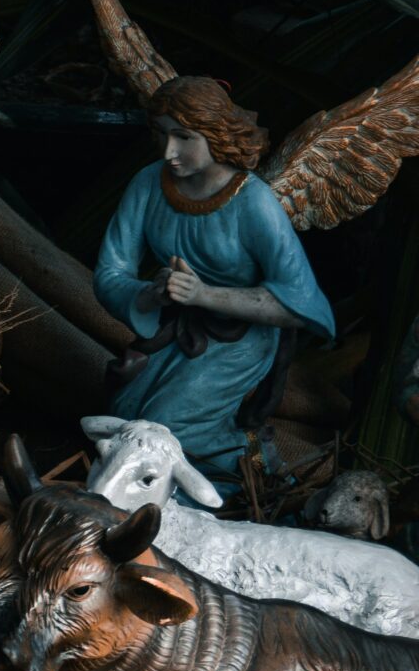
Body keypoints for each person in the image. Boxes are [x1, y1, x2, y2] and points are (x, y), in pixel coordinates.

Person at [92, 76, 333, 482]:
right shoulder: (148, 183)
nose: (170, 152)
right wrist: (151, 295)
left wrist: (204, 294)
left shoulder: (252, 202)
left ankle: (252, 479)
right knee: (125, 420)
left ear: (216, 133)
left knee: (167, 428)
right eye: (162, 135)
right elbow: (111, 272)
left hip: (241, 339)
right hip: (174, 328)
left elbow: (299, 304)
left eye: (184, 137)